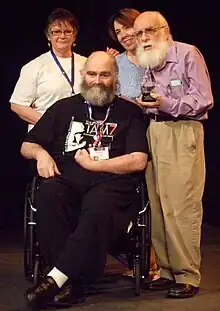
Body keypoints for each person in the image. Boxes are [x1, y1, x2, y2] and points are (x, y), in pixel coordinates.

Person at [20, 51, 149, 309]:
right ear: (83, 75)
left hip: (112, 181)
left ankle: (56, 278)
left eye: (105, 74)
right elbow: (27, 145)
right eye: (92, 73)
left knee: (99, 206)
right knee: (48, 194)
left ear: (115, 77)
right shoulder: (63, 108)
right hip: (67, 179)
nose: (97, 80)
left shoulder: (130, 112)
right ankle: (71, 284)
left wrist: (97, 165)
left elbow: (138, 160)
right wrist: (41, 154)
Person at [134, 11, 214, 298]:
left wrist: (165, 102)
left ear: (164, 30)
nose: (143, 38)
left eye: (148, 31)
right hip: (154, 131)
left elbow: (204, 99)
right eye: (139, 33)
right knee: (157, 204)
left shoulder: (187, 54)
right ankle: (167, 271)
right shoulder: (149, 61)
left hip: (182, 131)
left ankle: (187, 274)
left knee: (181, 205)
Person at [108, 7, 160, 281]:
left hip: (161, 130)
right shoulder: (118, 63)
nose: (123, 35)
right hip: (131, 136)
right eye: (118, 31)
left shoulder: (158, 56)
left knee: (159, 197)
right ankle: (143, 259)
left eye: (126, 27)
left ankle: (161, 262)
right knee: (135, 196)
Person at [10, 8, 86, 131]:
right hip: (46, 135)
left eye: (67, 31)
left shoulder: (87, 63)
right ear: (48, 36)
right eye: (56, 31)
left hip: (80, 134)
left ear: (74, 36)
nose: (62, 36)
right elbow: (17, 105)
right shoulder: (34, 66)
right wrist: (50, 124)